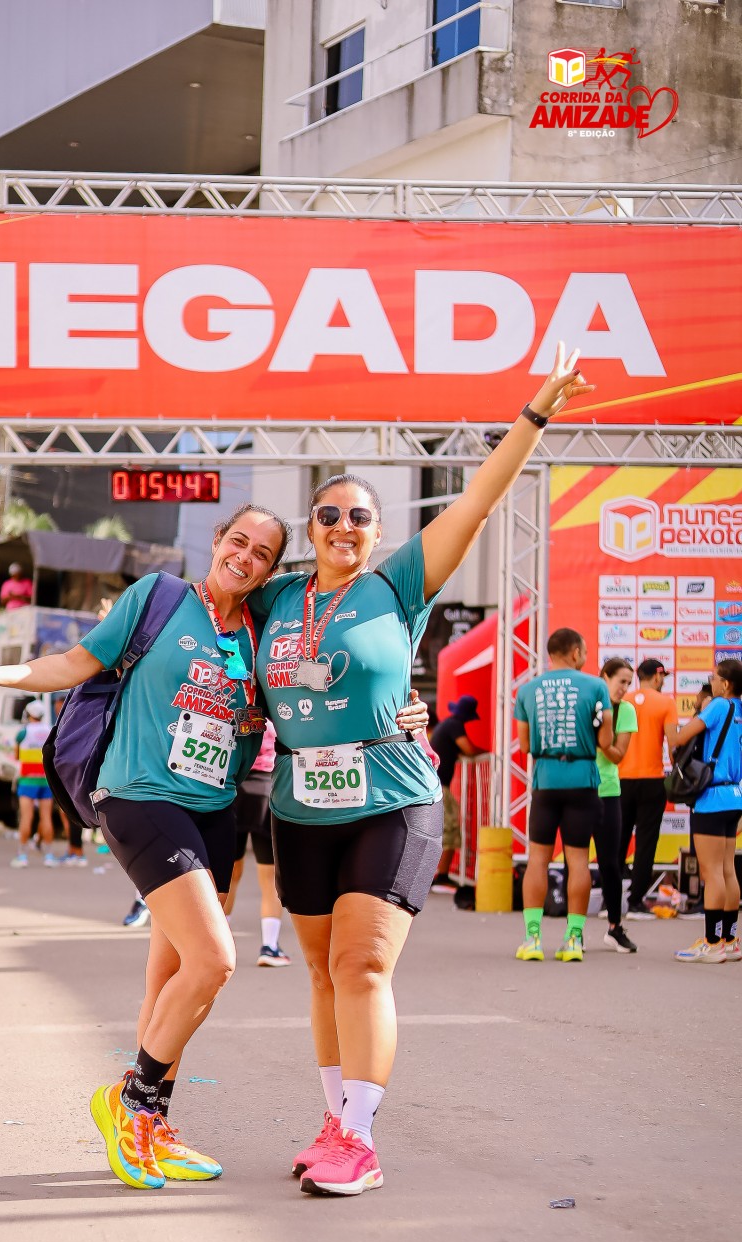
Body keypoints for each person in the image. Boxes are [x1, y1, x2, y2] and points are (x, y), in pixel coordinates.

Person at [252, 343, 593, 1196]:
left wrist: (534, 414)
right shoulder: (274, 598)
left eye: (359, 517)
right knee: (323, 972)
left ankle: (360, 1140)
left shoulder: (399, 583)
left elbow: (477, 500)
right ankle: (335, 1118)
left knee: (363, 964)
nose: (343, 526)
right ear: (310, 528)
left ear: (378, 532)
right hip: (300, 802)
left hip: (392, 796)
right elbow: (211, 613)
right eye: (328, 514)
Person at [0, 505, 294, 1189]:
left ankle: (151, 1125)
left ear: (271, 570)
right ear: (217, 540)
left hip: (215, 809)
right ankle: (130, 1102)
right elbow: (74, 662)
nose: (245, 557)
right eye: (238, 541)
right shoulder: (159, 598)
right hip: (141, 795)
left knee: (171, 977)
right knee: (215, 960)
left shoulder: (261, 632)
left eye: (262, 554)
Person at [515, 628, 613, 965]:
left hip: (546, 780)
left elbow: (524, 745)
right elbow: (606, 740)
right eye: (584, 650)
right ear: (574, 652)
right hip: (582, 779)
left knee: (537, 859)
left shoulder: (527, 690)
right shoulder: (596, 686)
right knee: (578, 861)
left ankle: (532, 938)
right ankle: (573, 939)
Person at [672, 659, 742, 964]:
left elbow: (681, 737)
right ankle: (730, 940)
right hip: (734, 796)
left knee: (712, 873)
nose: (710, 682)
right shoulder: (739, 709)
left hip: (712, 798)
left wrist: (681, 718)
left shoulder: (718, 706)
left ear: (725, 684)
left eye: (713, 678)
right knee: (727, 870)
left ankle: (713, 944)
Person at [223, 720, 291, 966]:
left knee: (228, 875)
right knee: (270, 877)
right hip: (267, 787)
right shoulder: (275, 706)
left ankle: (220, 943)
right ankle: (269, 946)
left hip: (231, 786)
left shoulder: (231, 701)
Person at [619, 657, 678, 919]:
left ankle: (610, 902)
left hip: (621, 779)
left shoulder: (623, 700)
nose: (663, 681)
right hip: (652, 779)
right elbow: (673, 744)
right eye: (663, 676)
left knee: (617, 840)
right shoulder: (666, 703)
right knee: (645, 843)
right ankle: (635, 902)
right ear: (656, 676)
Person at [595, 659, 639, 953]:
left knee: (611, 863)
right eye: (620, 681)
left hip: (609, 791)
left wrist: (599, 736)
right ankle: (575, 931)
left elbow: (617, 755)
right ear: (605, 677)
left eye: (628, 683)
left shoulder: (626, 710)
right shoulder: (588, 702)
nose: (624, 688)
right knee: (574, 863)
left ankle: (614, 927)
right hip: (581, 788)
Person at [429, 695, 482, 889]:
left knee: (441, 829)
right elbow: (468, 749)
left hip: (434, 784)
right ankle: (441, 874)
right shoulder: (454, 726)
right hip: (440, 786)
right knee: (450, 828)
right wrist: (486, 752)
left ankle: (438, 874)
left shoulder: (446, 725)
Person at [11, 702, 55, 868]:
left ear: (28, 714)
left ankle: (22, 855)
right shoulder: (50, 730)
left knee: (26, 817)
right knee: (46, 817)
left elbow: (16, 756)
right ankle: (49, 855)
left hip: (27, 779)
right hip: (45, 779)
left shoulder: (23, 732)